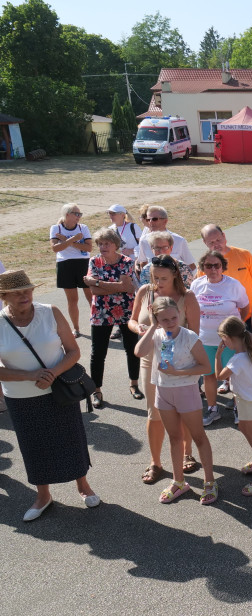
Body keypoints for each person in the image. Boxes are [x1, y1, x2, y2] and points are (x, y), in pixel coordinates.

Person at [0, 270, 100, 522]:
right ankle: (43, 496)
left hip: (59, 389)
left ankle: (83, 486)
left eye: (28, 289)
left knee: (71, 437)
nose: (25, 295)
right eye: (17, 292)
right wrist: (30, 375)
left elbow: (73, 351)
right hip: (20, 397)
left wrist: (52, 373)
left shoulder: (50, 312)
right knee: (34, 447)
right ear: (4, 296)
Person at [135, 297, 218, 505]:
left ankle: (210, 482)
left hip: (186, 392)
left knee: (198, 437)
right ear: (156, 319)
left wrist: (177, 372)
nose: (171, 322)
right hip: (163, 392)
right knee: (174, 438)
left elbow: (205, 367)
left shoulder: (189, 336)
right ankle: (178, 481)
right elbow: (138, 352)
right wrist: (153, 327)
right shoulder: (156, 334)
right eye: (164, 319)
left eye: (174, 317)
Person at [128, 254, 202, 485]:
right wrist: (139, 327)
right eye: (155, 277)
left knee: (183, 411)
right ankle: (155, 462)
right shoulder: (144, 292)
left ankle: (187, 452)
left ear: (175, 275)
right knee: (154, 412)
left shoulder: (187, 296)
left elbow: (195, 334)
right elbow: (130, 321)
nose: (158, 282)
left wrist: (186, 367)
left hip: (181, 362)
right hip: (151, 360)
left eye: (163, 277)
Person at [201, 223, 252, 406]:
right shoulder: (207, 263)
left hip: (246, 318)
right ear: (205, 243)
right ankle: (227, 383)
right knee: (227, 357)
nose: (216, 243)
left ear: (225, 236)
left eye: (218, 239)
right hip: (218, 325)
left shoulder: (243, 254)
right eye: (211, 242)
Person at [190, 249, 249, 425]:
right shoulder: (197, 285)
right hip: (205, 340)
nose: (213, 269)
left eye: (217, 265)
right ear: (202, 267)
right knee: (209, 376)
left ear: (223, 267)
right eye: (209, 265)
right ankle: (213, 409)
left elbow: (245, 309)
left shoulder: (234, 285)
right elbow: (192, 310)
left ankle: (238, 408)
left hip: (230, 341)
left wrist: (234, 329)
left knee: (234, 375)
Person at [83, 227, 140, 408]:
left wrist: (98, 282)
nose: (102, 247)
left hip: (126, 309)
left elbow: (128, 288)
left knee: (132, 348)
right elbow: (94, 291)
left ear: (116, 244)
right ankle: (96, 390)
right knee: (97, 353)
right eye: (100, 244)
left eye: (106, 243)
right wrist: (114, 286)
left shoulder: (127, 261)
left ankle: (134, 384)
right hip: (101, 312)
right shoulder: (94, 261)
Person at [216, 317, 252, 496]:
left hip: (249, 402)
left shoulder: (237, 360)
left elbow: (218, 376)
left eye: (223, 338)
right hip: (246, 400)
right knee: (243, 426)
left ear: (229, 338)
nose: (223, 342)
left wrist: (218, 356)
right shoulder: (251, 352)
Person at [50, 202, 93, 337]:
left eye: (80, 214)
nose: (79, 216)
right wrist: (74, 239)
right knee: (72, 299)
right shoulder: (56, 228)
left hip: (83, 263)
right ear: (67, 214)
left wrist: (66, 241)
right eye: (76, 214)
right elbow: (56, 249)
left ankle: (98, 323)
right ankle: (76, 328)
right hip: (65, 264)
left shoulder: (83, 227)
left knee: (91, 296)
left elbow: (88, 248)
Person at [137, 206, 197, 277]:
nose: (150, 222)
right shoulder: (144, 240)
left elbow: (191, 266)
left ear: (165, 221)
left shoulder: (179, 240)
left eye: (154, 219)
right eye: (148, 220)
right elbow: (143, 262)